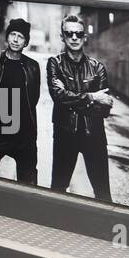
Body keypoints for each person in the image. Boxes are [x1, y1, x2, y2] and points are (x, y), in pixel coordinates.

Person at [46, 14, 113, 202]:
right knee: (58, 191)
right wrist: (92, 97)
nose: (74, 38)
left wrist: (72, 100)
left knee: (103, 194)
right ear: (62, 37)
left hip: (94, 136)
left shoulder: (97, 68)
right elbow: (58, 97)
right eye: (69, 33)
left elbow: (104, 109)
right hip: (65, 135)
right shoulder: (55, 64)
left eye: (78, 34)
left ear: (85, 37)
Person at [0, 18, 41, 185]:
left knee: (28, 183)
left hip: (25, 133)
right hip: (0, 129)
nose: (15, 39)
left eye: (20, 36)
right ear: (7, 36)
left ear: (26, 42)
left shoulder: (33, 66)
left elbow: (33, 99)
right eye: (12, 34)